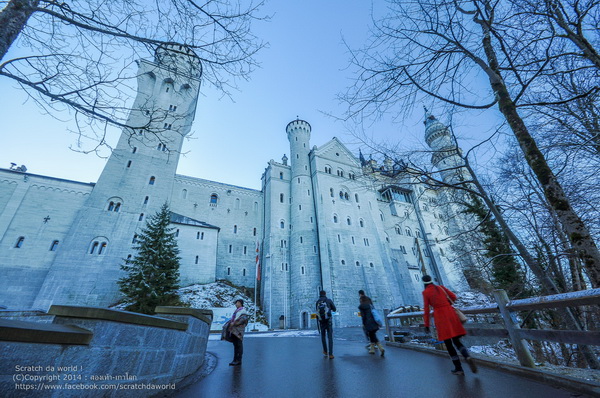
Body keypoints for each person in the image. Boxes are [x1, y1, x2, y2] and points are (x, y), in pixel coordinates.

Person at [422, 275, 477, 375]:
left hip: (440, 317)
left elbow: (426, 309)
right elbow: (453, 296)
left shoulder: (425, 292)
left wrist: (426, 324)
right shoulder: (441, 288)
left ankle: (458, 368)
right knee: (457, 341)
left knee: (449, 344)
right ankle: (466, 355)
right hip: (451, 314)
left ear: (424, 283)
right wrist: (446, 303)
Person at [316, 290, 336, 359]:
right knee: (330, 337)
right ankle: (330, 354)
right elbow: (334, 309)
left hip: (321, 321)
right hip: (328, 321)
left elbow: (317, 311)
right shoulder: (328, 300)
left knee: (323, 336)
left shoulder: (318, 302)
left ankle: (325, 351)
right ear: (325, 294)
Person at [228, 299, 248, 366]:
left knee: (238, 345)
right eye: (236, 303)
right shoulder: (236, 311)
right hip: (234, 330)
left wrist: (234, 323)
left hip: (239, 331)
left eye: (237, 303)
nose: (236, 304)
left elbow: (242, 320)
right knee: (235, 345)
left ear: (240, 303)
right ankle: (235, 359)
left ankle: (238, 360)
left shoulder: (243, 311)